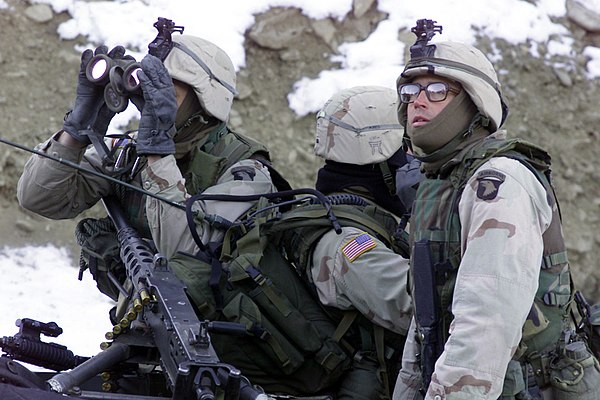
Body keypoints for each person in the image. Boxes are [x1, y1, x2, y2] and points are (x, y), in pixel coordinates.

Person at [392, 21, 600, 400]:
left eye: (437, 90)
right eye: (410, 90)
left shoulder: (499, 182)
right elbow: (426, 320)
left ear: (474, 102)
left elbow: (485, 326)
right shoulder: (440, 183)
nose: (416, 101)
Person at [17, 35, 288, 306]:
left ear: (205, 101)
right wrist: (76, 133)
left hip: (217, 336)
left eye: (168, 93)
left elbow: (187, 253)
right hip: (142, 323)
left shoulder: (245, 171)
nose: (154, 102)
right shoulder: (131, 151)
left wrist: (158, 153)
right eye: (150, 90)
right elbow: (39, 199)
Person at [280, 85, 417, 398]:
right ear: (382, 162)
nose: (412, 162)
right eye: (405, 151)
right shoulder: (349, 244)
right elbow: (426, 307)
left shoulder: (335, 214)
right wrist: (433, 213)